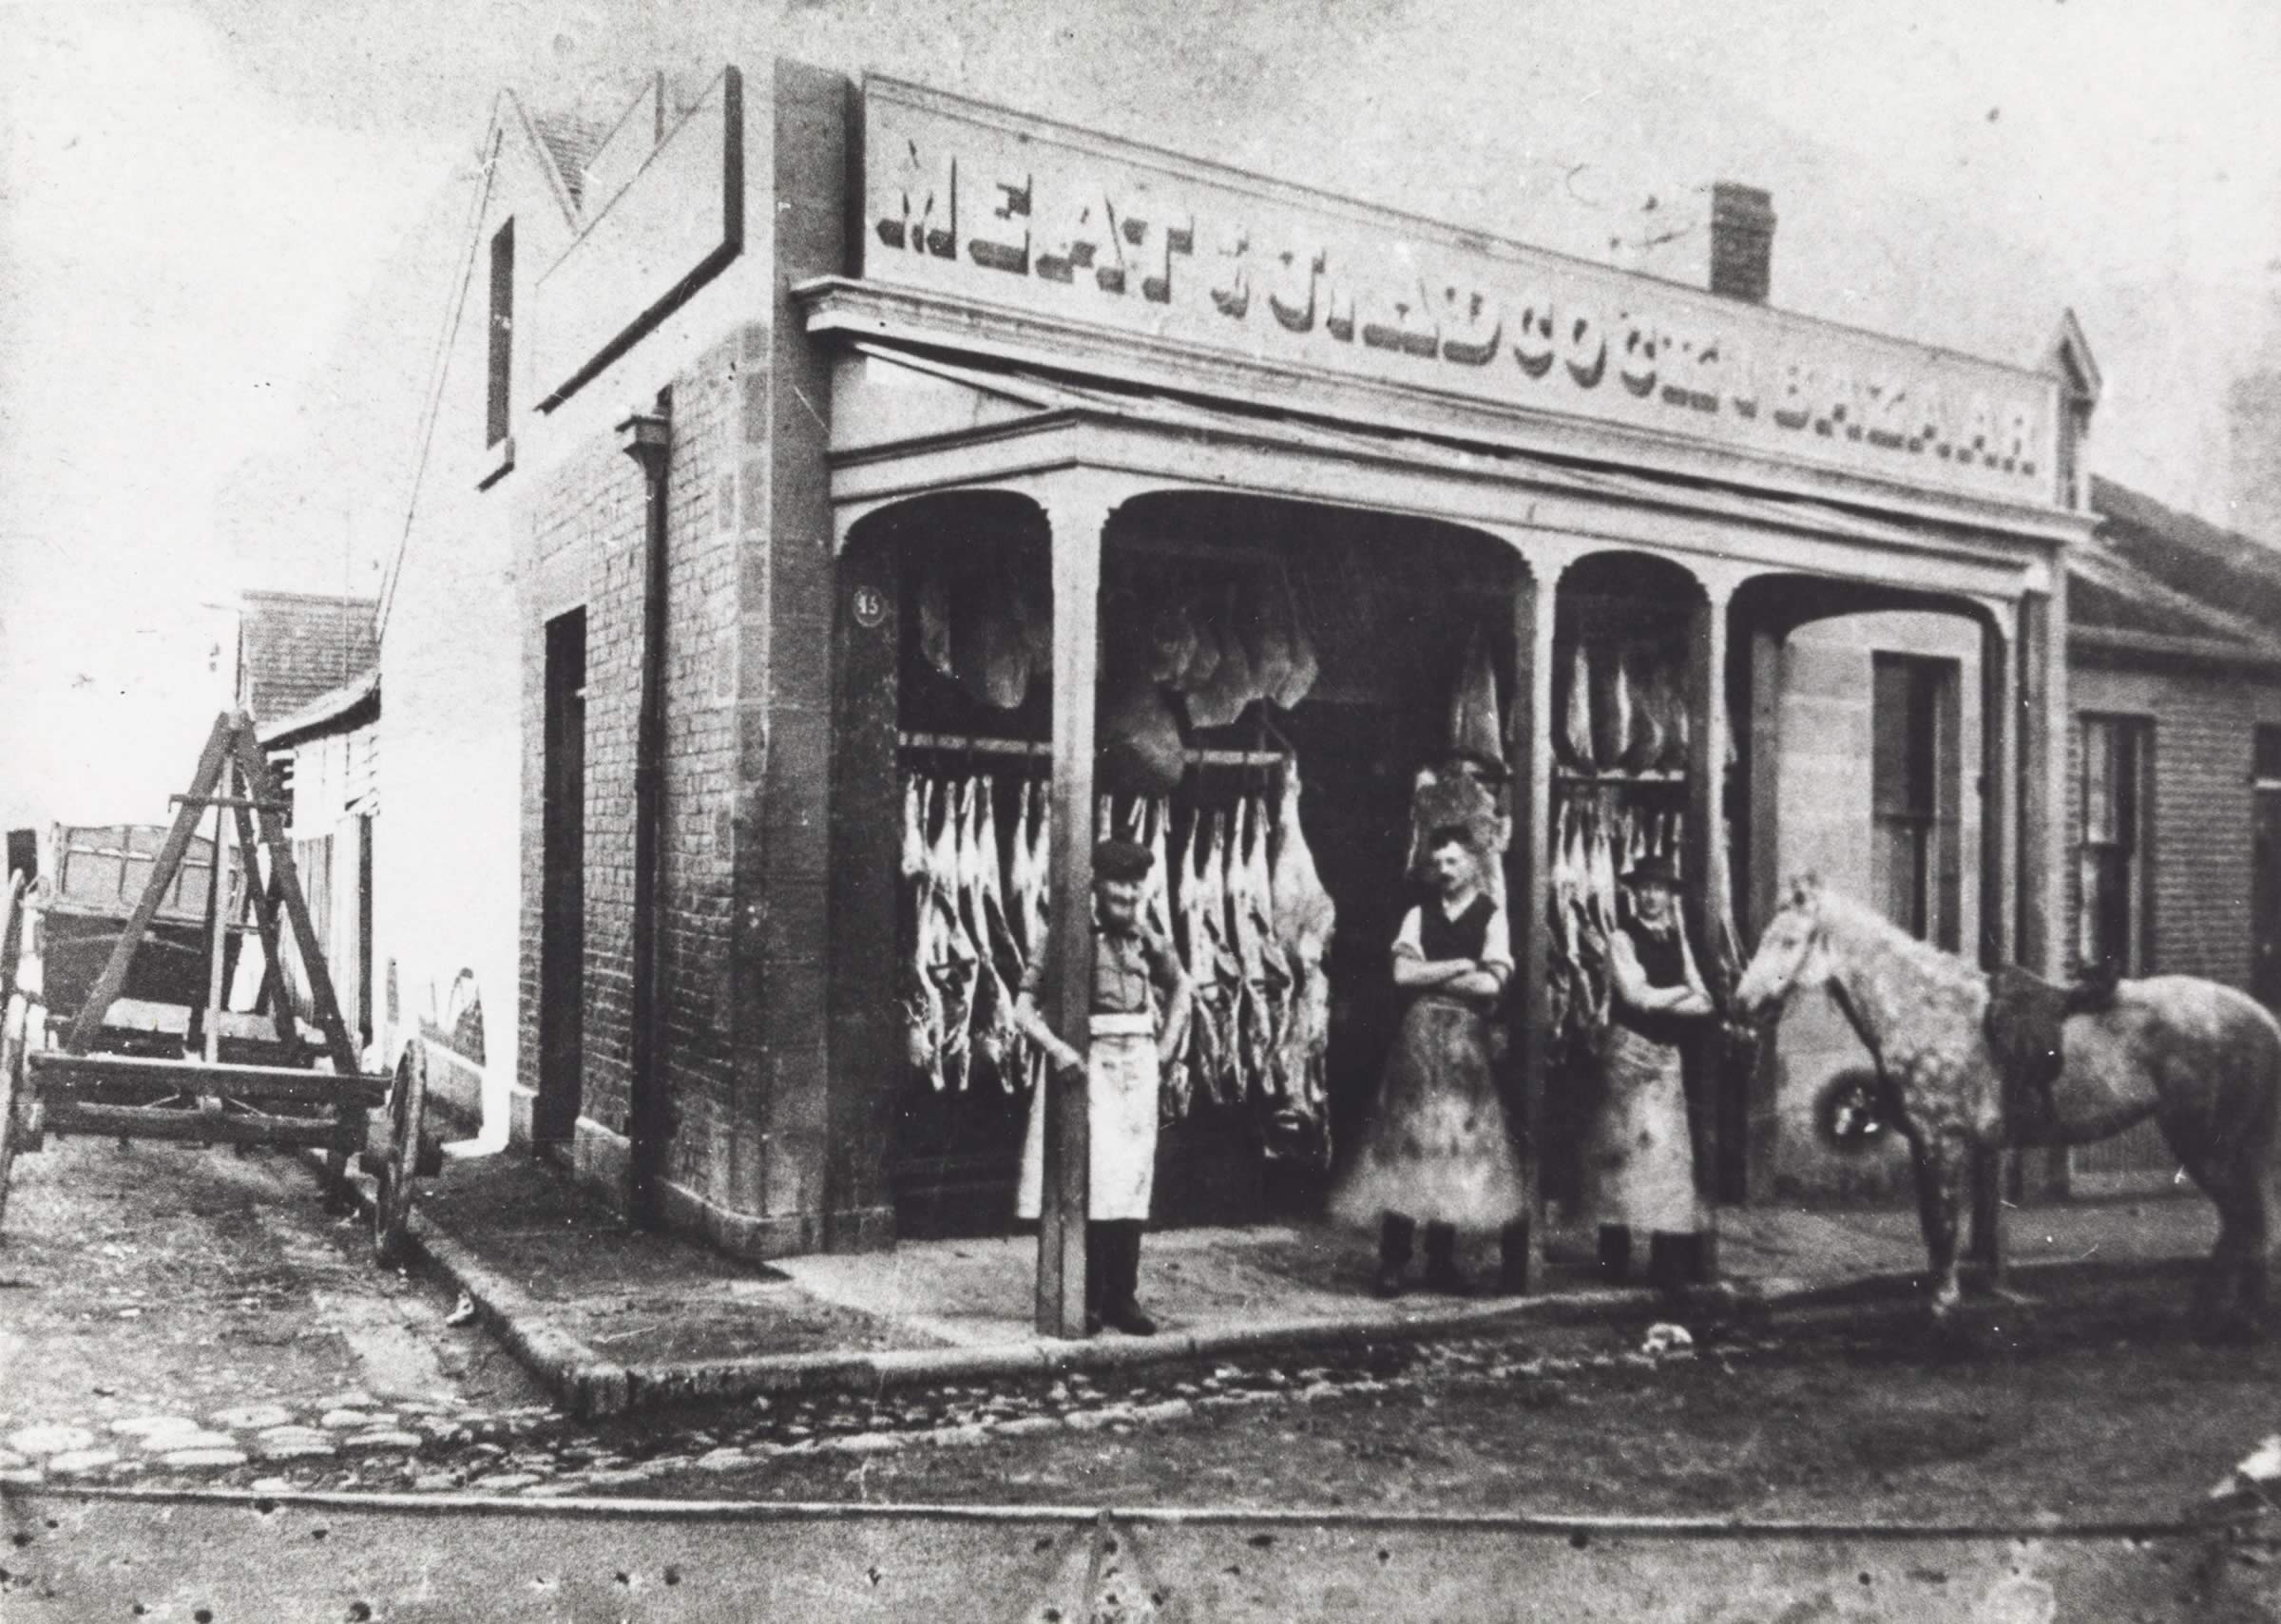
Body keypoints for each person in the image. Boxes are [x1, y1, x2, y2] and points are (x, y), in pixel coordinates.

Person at [1334, 823, 1530, 1298]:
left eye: (1454, 861)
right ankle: (1394, 1262)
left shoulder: (1492, 915)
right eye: (1438, 862)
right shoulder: (1418, 915)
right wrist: (1461, 965)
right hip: (1418, 1042)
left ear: (1473, 864)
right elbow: (1402, 973)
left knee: (1454, 1148)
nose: (1444, 870)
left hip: (1466, 1043)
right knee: (1409, 1144)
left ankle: (1441, 1261)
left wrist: (1436, 976)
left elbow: (1493, 983)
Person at [1013, 836, 1193, 1336]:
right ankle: (1087, 1297)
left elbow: (1183, 988)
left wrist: (1164, 1050)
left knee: (1132, 1187)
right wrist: (1059, 1049)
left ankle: (1123, 1298)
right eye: (1119, 887)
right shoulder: (1064, 935)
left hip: (1136, 1070)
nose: (1129, 899)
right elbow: (1022, 1009)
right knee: (1093, 1185)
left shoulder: (1146, 937)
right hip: (1088, 1073)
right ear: (1095, 885)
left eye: (1137, 888)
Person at [1583, 853, 1716, 1292]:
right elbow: (1636, 996)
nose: (1651, 895)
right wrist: (1681, 993)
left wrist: (1675, 995)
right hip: (1626, 1054)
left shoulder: (1679, 941)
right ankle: (1613, 1258)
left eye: (1659, 888)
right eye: (1644, 888)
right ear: (1633, 893)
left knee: (1668, 1160)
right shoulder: (1621, 938)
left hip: (1666, 1059)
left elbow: (1707, 1001)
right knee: (1620, 1153)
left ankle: (1665, 1261)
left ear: (1669, 895)